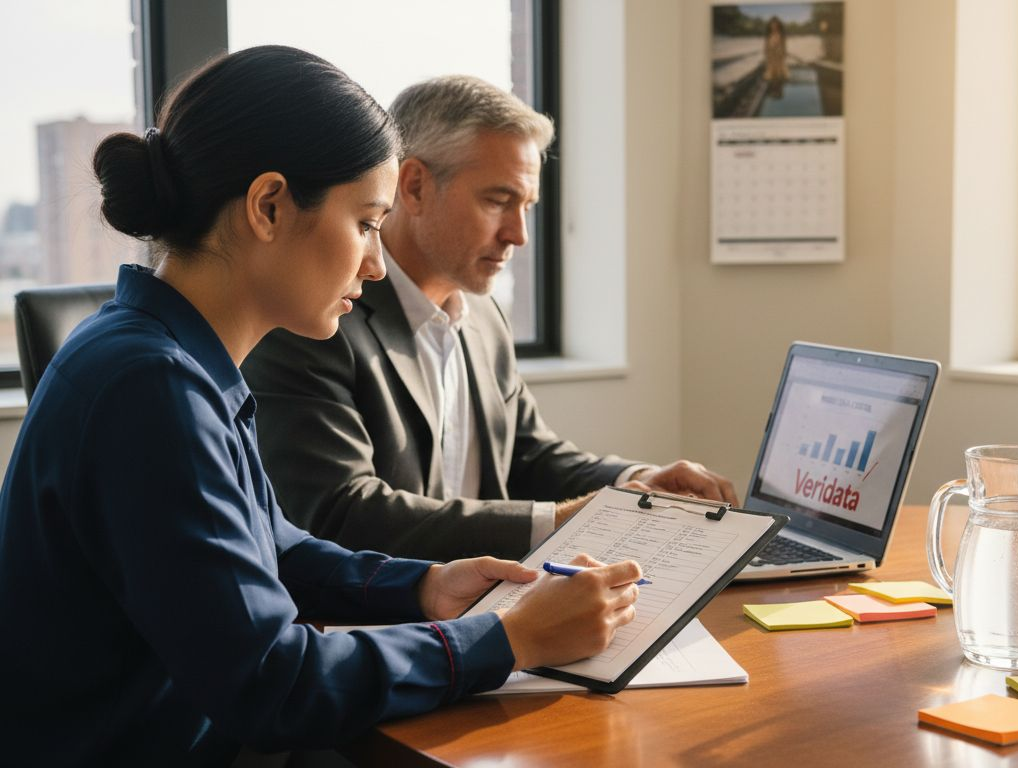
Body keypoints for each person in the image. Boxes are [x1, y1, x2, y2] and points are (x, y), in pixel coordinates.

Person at [0, 46, 641, 765]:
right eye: (367, 222)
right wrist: (511, 638)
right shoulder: (152, 388)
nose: (374, 261)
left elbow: (275, 546)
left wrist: (426, 586)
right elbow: (275, 683)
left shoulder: (169, 355)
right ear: (269, 207)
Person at [241, 75, 739, 563]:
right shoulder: (315, 317)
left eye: (526, 207)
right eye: (498, 201)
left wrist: (635, 485)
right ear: (413, 187)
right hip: (383, 620)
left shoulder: (480, 314)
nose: (518, 235)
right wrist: (559, 522)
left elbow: (528, 454)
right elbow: (340, 513)